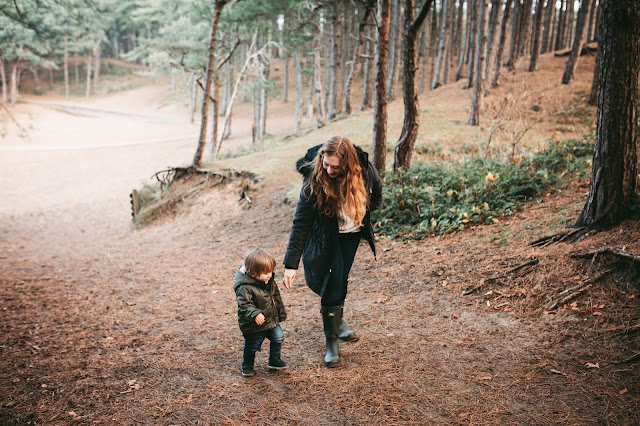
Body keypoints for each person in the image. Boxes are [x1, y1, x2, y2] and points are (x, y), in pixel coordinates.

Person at [282, 136, 382, 367]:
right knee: (326, 280)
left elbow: (376, 192)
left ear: (347, 165)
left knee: (338, 280)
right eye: (326, 164)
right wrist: (290, 264)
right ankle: (335, 331)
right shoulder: (314, 178)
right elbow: (301, 222)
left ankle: (334, 333)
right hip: (324, 234)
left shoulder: (365, 171)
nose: (328, 169)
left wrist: (365, 212)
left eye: (335, 167)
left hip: (351, 235)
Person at [233, 248, 288, 377]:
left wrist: (279, 312)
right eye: (266, 272)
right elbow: (245, 304)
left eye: (271, 271)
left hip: (270, 319)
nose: (270, 275)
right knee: (253, 346)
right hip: (254, 324)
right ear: (253, 273)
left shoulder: (267, 280)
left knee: (278, 337)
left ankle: (274, 360)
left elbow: (274, 297)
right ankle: (247, 365)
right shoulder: (244, 287)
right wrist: (255, 314)